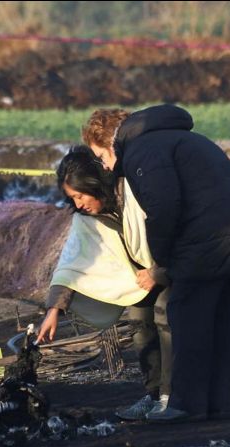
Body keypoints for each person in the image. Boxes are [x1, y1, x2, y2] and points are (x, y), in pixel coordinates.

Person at [82, 105, 230, 422]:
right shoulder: (171, 138)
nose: (104, 166)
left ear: (112, 143)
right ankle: (216, 403)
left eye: (101, 156)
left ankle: (185, 405)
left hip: (214, 241)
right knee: (220, 321)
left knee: (185, 313)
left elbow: (164, 208)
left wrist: (162, 264)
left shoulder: (141, 151)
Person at [37, 146, 172, 420]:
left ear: (95, 184)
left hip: (172, 268)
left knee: (166, 321)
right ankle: (154, 394)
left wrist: (158, 271)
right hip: (140, 281)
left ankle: (173, 396)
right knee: (140, 327)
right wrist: (54, 310)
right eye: (72, 199)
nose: (78, 204)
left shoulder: (132, 194)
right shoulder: (86, 220)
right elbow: (71, 265)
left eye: (80, 195)